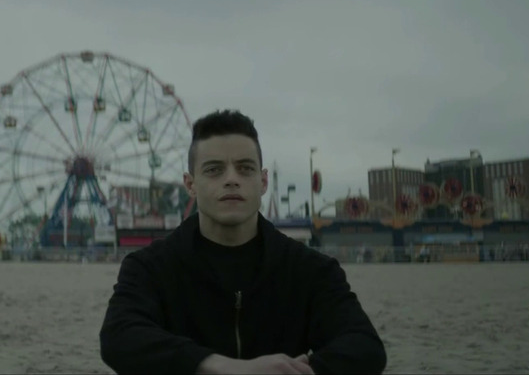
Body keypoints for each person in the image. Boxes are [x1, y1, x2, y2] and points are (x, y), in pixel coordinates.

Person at [99, 109, 386, 374]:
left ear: (263, 182)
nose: (231, 180)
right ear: (190, 184)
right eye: (214, 170)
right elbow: (119, 337)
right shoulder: (148, 268)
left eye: (245, 168)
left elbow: (364, 346)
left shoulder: (311, 270)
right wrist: (223, 368)